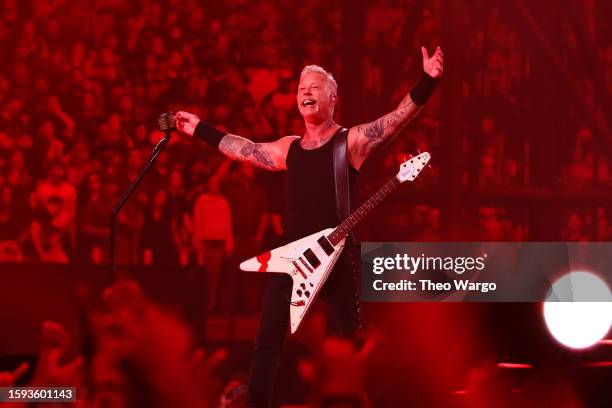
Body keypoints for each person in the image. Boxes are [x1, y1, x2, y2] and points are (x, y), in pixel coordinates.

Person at [176, 46, 444, 407]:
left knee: (347, 341)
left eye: (314, 87)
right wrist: (201, 130)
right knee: (267, 339)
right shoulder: (289, 148)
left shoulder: (349, 142)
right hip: (291, 257)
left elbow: (394, 120)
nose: (305, 91)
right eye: (301, 87)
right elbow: (245, 149)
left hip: (336, 255)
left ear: (332, 98)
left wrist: (427, 81)